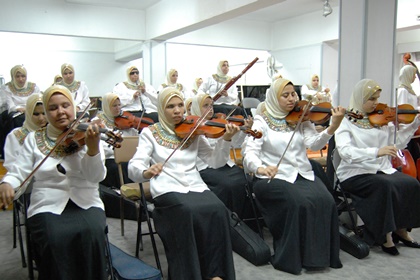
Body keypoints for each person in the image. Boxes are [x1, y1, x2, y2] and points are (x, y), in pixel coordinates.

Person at [0, 85, 109, 279]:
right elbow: (19, 172)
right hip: (47, 203)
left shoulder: (87, 134)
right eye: (53, 108)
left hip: (85, 200)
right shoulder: (34, 139)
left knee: (92, 234)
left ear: (74, 107)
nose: (60, 112)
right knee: (53, 238)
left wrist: (93, 150)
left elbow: (95, 177)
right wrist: (8, 183)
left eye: (65, 105)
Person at [128, 87, 237, 280]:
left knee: (218, 210)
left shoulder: (193, 129)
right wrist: (147, 171)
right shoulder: (150, 133)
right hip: (167, 188)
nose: (177, 110)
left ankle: (216, 274)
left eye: (180, 105)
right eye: (170, 106)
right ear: (161, 108)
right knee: (187, 212)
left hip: (195, 185)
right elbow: (134, 166)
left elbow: (214, 162)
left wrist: (225, 140)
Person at [242, 78, 344, 274]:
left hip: (301, 174)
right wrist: (260, 168)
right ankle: (294, 256)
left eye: (293, 94)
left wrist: (332, 127)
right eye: (285, 95)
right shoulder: (261, 121)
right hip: (272, 177)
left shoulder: (301, 117)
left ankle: (320, 255)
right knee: (298, 203)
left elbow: (313, 144)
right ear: (273, 97)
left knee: (326, 201)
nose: (291, 99)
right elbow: (249, 153)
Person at [335, 78, 420, 256]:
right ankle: (385, 235)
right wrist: (376, 152)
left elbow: (397, 144)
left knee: (411, 184)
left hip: (382, 169)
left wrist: (414, 124)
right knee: (385, 186)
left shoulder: (381, 119)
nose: (376, 103)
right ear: (360, 98)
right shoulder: (345, 121)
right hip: (355, 172)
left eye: (377, 98)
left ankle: (401, 229)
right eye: (371, 99)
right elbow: (345, 152)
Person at [190, 93, 253, 219]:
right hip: (206, 168)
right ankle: (229, 220)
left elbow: (235, 144)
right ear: (196, 107)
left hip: (225, 164)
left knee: (248, 180)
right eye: (205, 105)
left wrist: (244, 130)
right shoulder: (192, 129)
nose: (210, 108)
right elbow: (208, 157)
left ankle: (247, 221)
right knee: (229, 185)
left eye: (211, 105)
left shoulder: (217, 124)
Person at [93, 92, 137, 189]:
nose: (118, 108)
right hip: (109, 158)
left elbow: (133, 137)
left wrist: (134, 128)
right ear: (107, 106)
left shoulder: (124, 120)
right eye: (114, 106)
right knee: (118, 168)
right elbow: (100, 145)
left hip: (126, 156)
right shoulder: (98, 122)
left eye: (119, 105)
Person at [3, 93, 47, 169]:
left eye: (44, 113)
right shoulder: (15, 135)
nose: (41, 118)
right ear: (28, 113)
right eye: (36, 114)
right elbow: (11, 164)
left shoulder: (52, 133)